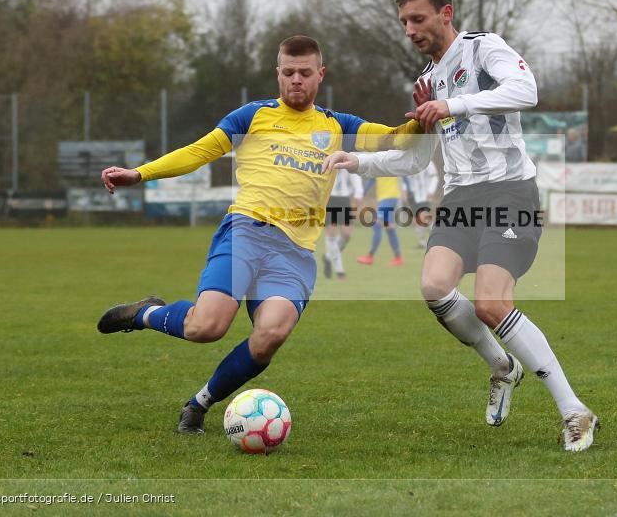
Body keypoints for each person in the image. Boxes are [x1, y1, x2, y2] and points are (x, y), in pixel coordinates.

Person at [324, 0, 599, 452]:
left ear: (445, 13)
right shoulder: (427, 81)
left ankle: (575, 410)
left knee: (492, 304)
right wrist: (358, 159)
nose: (410, 30)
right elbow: (413, 158)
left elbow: (526, 90)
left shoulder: (482, 47)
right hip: (460, 198)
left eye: (418, 18)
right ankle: (501, 366)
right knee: (433, 286)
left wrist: (454, 105)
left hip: (509, 192)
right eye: (404, 22)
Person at [97, 35, 421, 434]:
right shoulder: (252, 116)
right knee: (206, 328)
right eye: (288, 72)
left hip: (294, 251)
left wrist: (422, 119)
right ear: (278, 73)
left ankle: (199, 404)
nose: (296, 80)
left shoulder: (339, 125)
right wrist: (140, 173)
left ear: (320, 74)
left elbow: (394, 138)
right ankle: (145, 313)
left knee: (271, 334)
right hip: (246, 233)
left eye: (305, 73)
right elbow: (199, 151)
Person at [322, 169, 364, 279]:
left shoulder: (346, 160)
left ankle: (328, 257)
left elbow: (355, 176)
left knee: (346, 235)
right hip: (329, 199)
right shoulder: (327, 160)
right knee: (331, 233)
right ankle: (340, 271)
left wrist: (358, 194)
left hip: (344, 200)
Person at [356, 176, 403, 266]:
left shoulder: (391, 162)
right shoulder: (378, 164)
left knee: (376, 224)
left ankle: (370, 256)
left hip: (389, 197)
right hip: (385, 198)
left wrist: (408, 190)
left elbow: (405, 176)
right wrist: (362, 194)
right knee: (389, 229)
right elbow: (371, 179)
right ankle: (398, 258)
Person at [404, 161, 439, 248]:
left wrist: (431, 190)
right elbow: (405, 180)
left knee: (425, 217)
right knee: (417, 219)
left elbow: (434, 177)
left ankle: (436, 239)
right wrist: (404, 192)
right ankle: (421, 241)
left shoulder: (428, 162)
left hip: (425, 195)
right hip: (413, 195)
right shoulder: (408, 163)